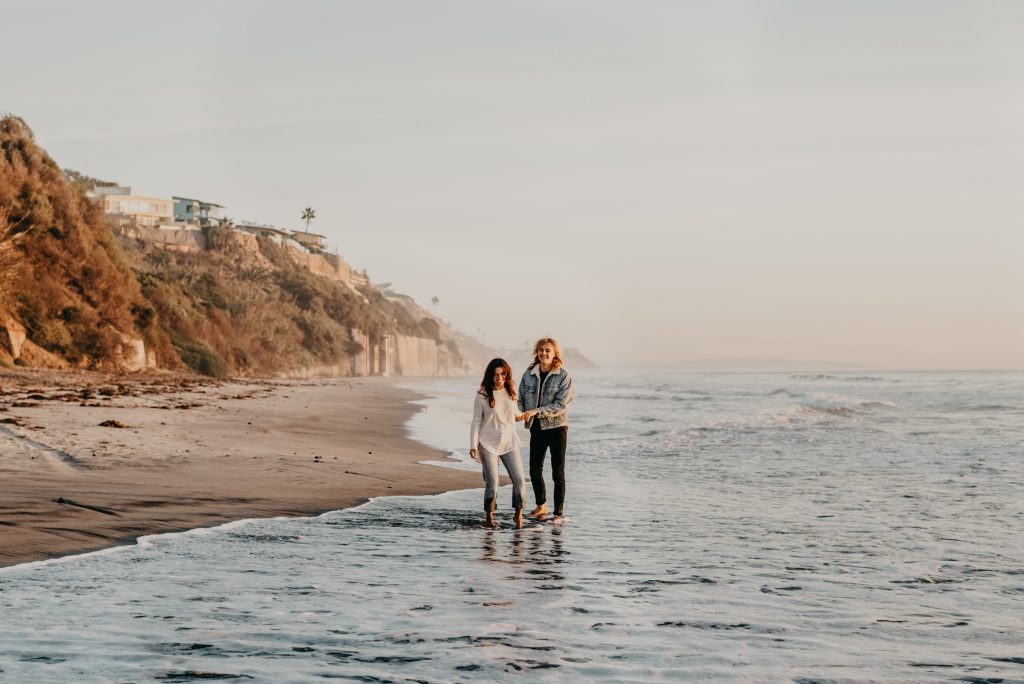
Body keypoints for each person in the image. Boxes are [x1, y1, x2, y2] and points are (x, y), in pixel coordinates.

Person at [518, 337, 573, 521]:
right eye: (541, 350)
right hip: (537, 428)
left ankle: (558, 513)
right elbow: (520, 399)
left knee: (557, 472)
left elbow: (560, 405)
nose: (544, 353)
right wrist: (520, 412)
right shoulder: (528, 375)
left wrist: (536, 411)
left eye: (548, 350)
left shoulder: (564, 376)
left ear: (555, 353)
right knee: (534, 469)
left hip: (557, 428)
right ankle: (541, 507)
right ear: (537, 352)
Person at [470, 358, 528, 529]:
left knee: (519, 480)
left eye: (502, 374)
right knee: (492, 482)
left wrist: (521, 415)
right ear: (490, 376)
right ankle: (489, 517)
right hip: (488, 443)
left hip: (509, 441)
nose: (499, 377)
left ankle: (518, 515)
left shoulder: (511, 390)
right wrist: (473, 445)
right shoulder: (482, 395)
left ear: (507, 374)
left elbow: (514, 411)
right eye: (496, 374)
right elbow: (475, 421)